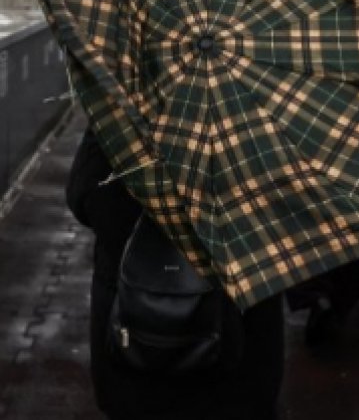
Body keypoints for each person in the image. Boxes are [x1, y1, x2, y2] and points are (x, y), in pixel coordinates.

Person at [66, 129, 284, 420]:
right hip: (239, 340)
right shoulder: (261, 112)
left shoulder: (124, 103)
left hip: (138, 334)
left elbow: (85, 193)